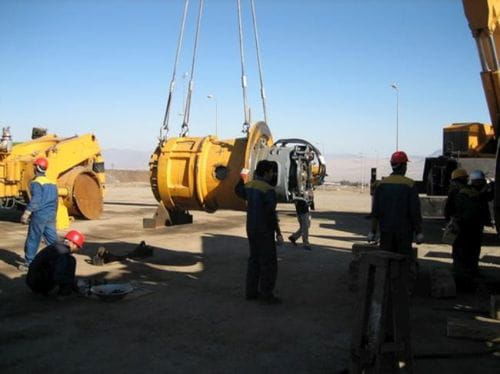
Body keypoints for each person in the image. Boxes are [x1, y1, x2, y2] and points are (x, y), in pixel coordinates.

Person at [368, 151, 423, 288]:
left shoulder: (381, 185)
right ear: (403, 166)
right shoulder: (410, 185)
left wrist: (373, 231)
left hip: (386, 232)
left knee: (385, 261)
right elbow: (414, 211)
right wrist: (419, 232)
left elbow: (376, 211)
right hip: (404, 233)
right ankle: (401, 290)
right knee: (403, 262)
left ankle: (384, 289)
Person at [235, 160, 283, 304]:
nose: (272, 174)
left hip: (251, 229)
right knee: (268, 263)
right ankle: (267, 294)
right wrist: (278, 233)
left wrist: (242, 178)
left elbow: (238, 191)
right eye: (271, 171)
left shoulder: (249, 186)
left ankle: (251, 292)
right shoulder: (268, 190)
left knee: (254, 260)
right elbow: (270, 214)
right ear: (266, 173)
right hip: (264, 231)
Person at [452, 169, 492, 289]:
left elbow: (453, 209)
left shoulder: (461, 193)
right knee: (472, 250)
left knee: (461, 251)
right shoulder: (477, 194)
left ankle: (461, 274)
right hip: (473, 227)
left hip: (463, 227)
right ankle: (469, 273)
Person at [20, 157, 58, 271]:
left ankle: (29, 263)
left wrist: (26, 214)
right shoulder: (52, 182)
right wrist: (54, 214)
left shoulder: (36, 183)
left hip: (40, 215)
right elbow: (56, 200)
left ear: (36, 168)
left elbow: (36, 200)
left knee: (33, 238)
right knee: (52, 240)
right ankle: (59, 259)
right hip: (51, 214)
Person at [26, 230, 85, 297]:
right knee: (71, 261)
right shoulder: (63, 254)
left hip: (31, 281)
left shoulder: (55, 245)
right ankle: (63, 293)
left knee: (67, 262)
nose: (77, 250)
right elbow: (58, 275)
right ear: (73, 243)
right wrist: (72, 284)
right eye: (78, 247)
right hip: (39, 285)